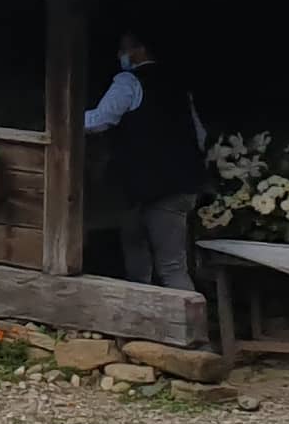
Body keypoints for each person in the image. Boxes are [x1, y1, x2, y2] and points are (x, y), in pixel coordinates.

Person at [83, 31, 209, 288]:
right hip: (180, 185)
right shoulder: (177, 85)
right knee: (164, 260)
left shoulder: (128, 81)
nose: (120, 56)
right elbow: (201, 134)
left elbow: (100, 121)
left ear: (139, 50)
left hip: (144, 186)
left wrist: (65, 118)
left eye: (124, 50)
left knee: (156, 263)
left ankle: (178, 325)